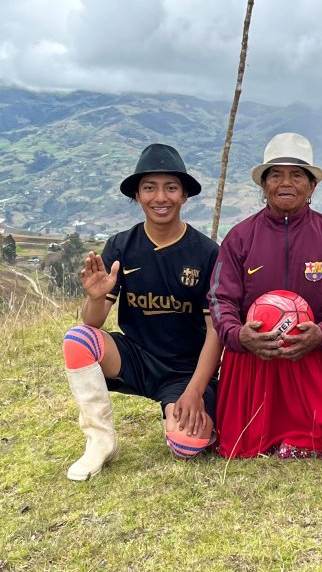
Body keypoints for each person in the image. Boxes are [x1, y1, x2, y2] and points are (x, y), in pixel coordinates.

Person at [59, 143, 221, 481]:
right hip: (137, 358)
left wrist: (193, 392)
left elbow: (216, 332)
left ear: (184, 195)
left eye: (170, 187)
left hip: (186, 371)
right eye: (149, 187)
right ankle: (99, 442)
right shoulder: (121, 246)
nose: (160, 197)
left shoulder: (207, 253)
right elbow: (93, 323)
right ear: (137, 195)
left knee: (186, 447)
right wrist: (94, 296)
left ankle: (180, 412)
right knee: (77, 339)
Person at [209, 132, 322, 458]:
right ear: (264, 184)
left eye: (297, 175)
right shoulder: (240, 237)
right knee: (240, 443)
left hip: (315, 355)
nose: (286, 183)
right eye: (276, 175)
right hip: (254, 359)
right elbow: (220, 299)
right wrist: (239, 336)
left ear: (312, 186)